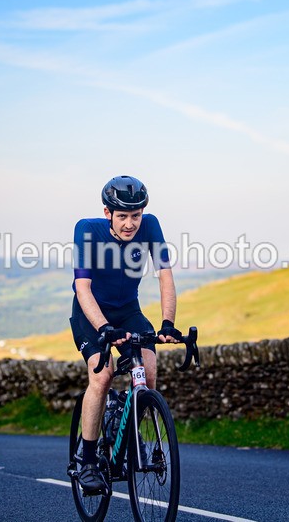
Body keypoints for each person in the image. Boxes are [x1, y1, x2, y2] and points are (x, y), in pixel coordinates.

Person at [69, 175, 183, 494]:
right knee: (102, 376)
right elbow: (82, 288)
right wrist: (104, 328)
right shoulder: (87, 230)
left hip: (128, 310)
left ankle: (136, 435)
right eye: (123, 216)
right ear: (108, 213)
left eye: (136, 215)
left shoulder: (151, 225)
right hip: (91, 312)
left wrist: (168, 322)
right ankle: (87, 457)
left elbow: (165, 276)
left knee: (147, 370)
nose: (131, 224)